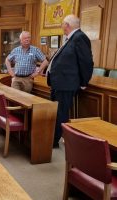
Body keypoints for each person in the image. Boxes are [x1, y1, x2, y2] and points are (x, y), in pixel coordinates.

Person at [47, 15, 94, 148]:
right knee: (57, 112)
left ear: (67, 25)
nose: (62, 26)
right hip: (59, 83)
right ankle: (53, 138)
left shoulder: (80, 37)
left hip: (66, 84)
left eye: (62, 24)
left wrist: (84, 82)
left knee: (60, 113)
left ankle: (53, 141)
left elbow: (86, 62)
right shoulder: (70, 38)